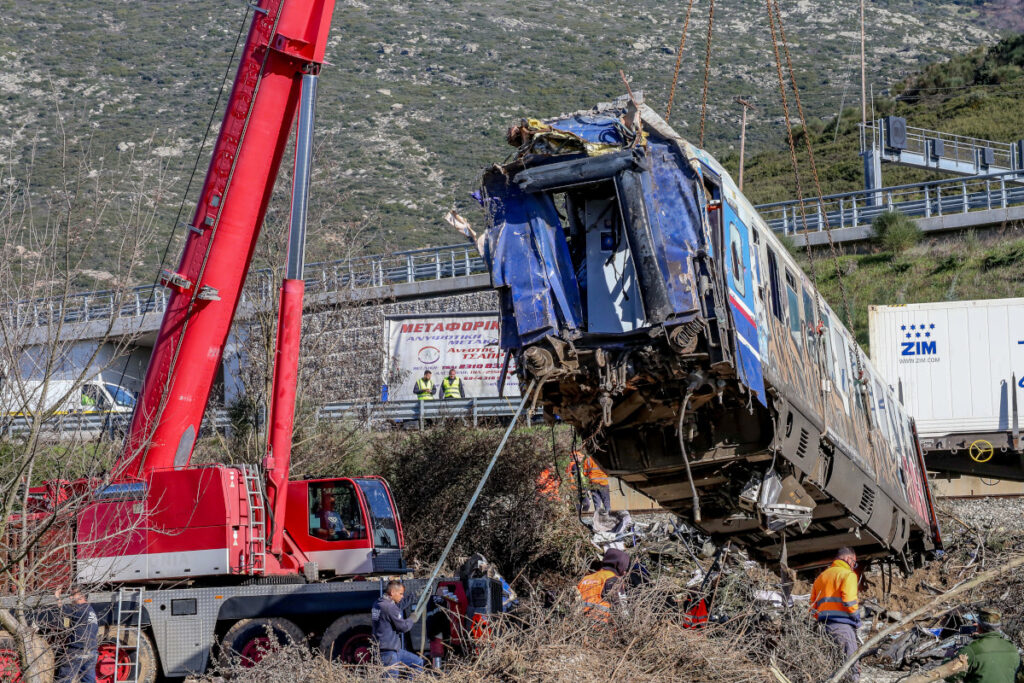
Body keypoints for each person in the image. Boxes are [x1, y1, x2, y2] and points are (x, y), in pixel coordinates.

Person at [810, 547, 861, 682]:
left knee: (831, 667)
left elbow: (812, 607)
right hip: (842, 627)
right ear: (848, 559)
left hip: (823, 628)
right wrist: (857, 618)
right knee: (851, 666)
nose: (853, 567)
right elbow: (849, 601)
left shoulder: (821, 577)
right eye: (854, 563)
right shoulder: (848, 575)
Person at [944, 607, 1020, 682]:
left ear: (979, 626)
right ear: (999, 627)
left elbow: (950, 676)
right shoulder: (1012, 648)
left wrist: (948, 657)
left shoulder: (971, 650)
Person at [371, 580, 424, 678]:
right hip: (389, 653)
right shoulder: (389, 607)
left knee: (417, 663)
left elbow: (397, 608)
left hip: (391, 650)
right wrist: (412, 619)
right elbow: (403, 627)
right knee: (391, 679)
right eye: (401, 594)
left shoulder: (378, 603)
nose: (402, 596)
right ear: (392, 593)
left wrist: (413, 596)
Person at [55, 586, 98, 683]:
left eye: (72, 595)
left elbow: (62, 609)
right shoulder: (90, 610)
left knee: (64, 679)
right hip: (91, 651)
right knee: (89, 680)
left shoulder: (79, 609)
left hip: (77, 650)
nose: (70, 598)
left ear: (81, 596)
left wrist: (57, 596)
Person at [576, 548, 629, 622]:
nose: (625, 572)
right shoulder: (614, 580)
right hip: (601, 627)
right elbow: (622, 611)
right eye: (625, 568)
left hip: (579, 625)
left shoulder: (585, 579)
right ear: (619, 566)